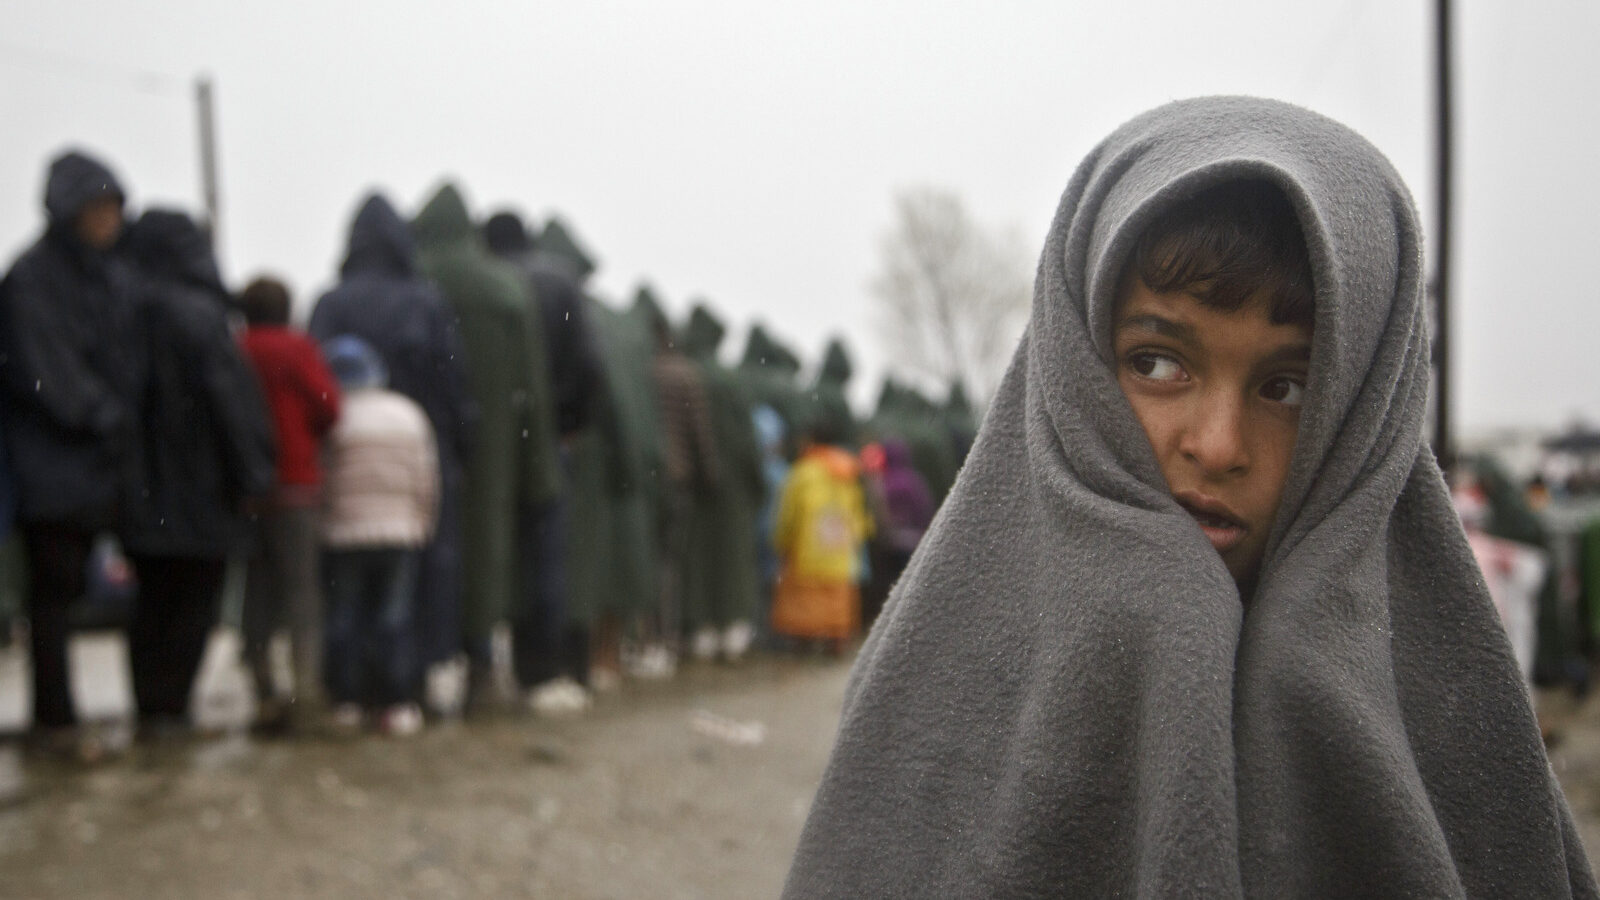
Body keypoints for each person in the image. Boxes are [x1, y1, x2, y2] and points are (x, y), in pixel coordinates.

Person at [783, 97, 1598, 896]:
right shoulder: (938, 675)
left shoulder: (1456, 719)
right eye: (1157, 364)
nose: (1216, 444)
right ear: (1075, 366)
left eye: (1287, 387)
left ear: (1362, 412)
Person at [309, 192, 474, 714]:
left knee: (345, 591)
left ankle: (346, 692)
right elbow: (455, 388)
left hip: (345, 468)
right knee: (414, 586)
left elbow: (313, 390)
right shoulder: (426, 301)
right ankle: (404, 688)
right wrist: (459, 454)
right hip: (417, 460)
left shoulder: (331, 303)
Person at [0, 149, 138, 761]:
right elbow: (43, 375)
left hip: (93, 464)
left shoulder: (105, 277)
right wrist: (104, 414)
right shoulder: (32, 279)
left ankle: (65, 716)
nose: (107, 221)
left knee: (73, 593)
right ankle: (55, 721)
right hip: (51, 464)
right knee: (53, 595)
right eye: (98, 209)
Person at [120, 210, 276, 737]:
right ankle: (170, 708)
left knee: (152, 603)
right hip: (201, 487)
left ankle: (151, 708)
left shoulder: (125, 310)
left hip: (142, 490)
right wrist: (254, 471)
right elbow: (229, 399)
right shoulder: (198, 315)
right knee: (192, 603)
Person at [412, 184, 561, 711]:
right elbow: (534, 393)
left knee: (419, 552)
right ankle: (479, 667)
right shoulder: (506, 290)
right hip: (494, 453)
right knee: (484, 554)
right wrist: (539, 469)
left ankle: (414, 680)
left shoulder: (411, 280)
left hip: (414, 451)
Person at [317, 336, 438, 737]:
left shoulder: (334, 417)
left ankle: (347, 701)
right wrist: (423, 522)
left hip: (344, 533)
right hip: (401, 532)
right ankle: (396, 702)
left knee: (344, 616)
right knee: (394, 617)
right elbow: (427, 479)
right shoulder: (409, 414)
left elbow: (325, 480)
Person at [238, 276, 341, 734]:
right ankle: (305, 693)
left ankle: (263, 688)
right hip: (297, 483)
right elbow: (329, 406)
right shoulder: (297, 349)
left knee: (256, 590)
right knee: (302, 593)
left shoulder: (236, 348)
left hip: (248, 490)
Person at [769, 420, 871, 655]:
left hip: (807, 551)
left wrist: (781, 541)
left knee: (804, 601)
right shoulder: (848, 470)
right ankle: (835, 642)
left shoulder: (802, 473)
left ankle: (804, 642)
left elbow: (788, 514)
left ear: (810, 440)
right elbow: (859, 512)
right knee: (836, 599)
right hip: (840, 550)